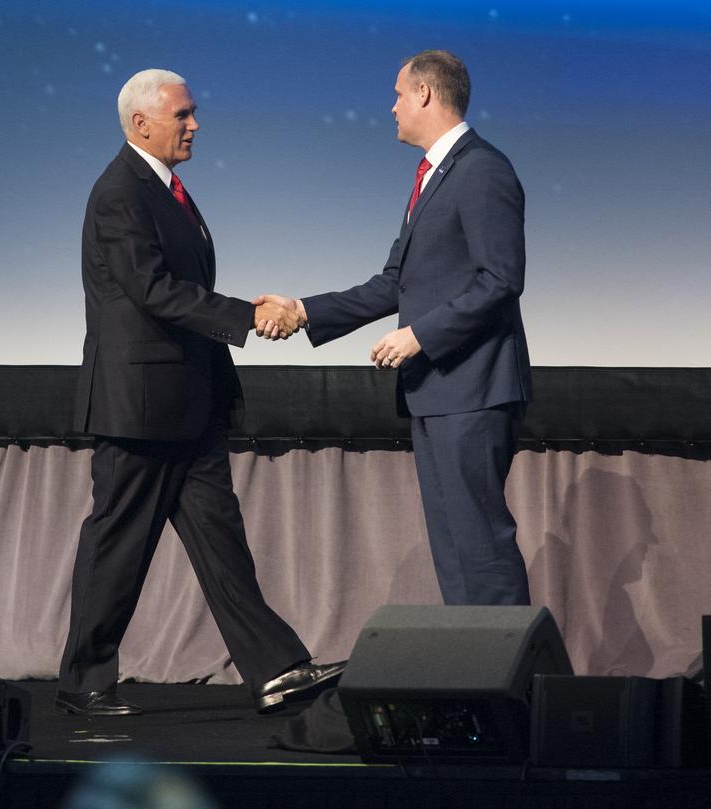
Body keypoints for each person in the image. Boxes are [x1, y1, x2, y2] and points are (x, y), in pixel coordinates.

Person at [58, 68, 343, 717]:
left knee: (222, 543)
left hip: (188, 404)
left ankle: (277, 668)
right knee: (119, 545)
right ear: (141, 124)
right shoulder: (119, 192)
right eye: (182, 114)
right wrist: (248, 316)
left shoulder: (166, 189)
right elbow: (153, 289)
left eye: (192, 112)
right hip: (139, 406)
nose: (194, 124)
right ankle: (82, 681)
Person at [256, 50, 532, 606]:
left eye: (399, 94)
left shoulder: (482, 169)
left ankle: (517, 688)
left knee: (480, 547)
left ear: (426, 94)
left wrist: (420, 335)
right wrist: (303, 310)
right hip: (436, 393)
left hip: (472, 391)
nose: (393, 107)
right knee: (454, 552)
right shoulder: (431, 178)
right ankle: (475, 682)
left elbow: (501, 280)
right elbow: (394, 284)